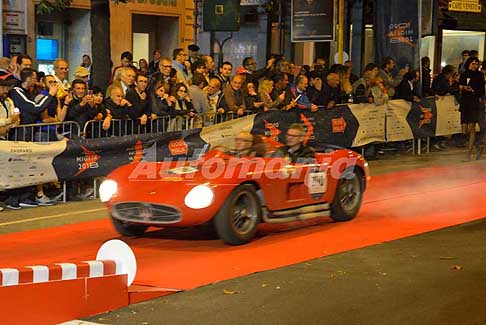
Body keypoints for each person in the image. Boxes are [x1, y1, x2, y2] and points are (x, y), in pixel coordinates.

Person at [458, 56, 485, 160]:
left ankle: (468, 154)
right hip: (465, 102)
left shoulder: (480, 75)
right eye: (473, 63)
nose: (475, 66)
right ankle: (477, 147)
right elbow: (460, 86)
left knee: (471, 127)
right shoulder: (464, 74)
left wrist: (474, 91)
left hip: (474, 103)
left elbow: (482, 91)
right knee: (464, 129)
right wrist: (464, 87)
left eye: (476, 64)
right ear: (468, 63)